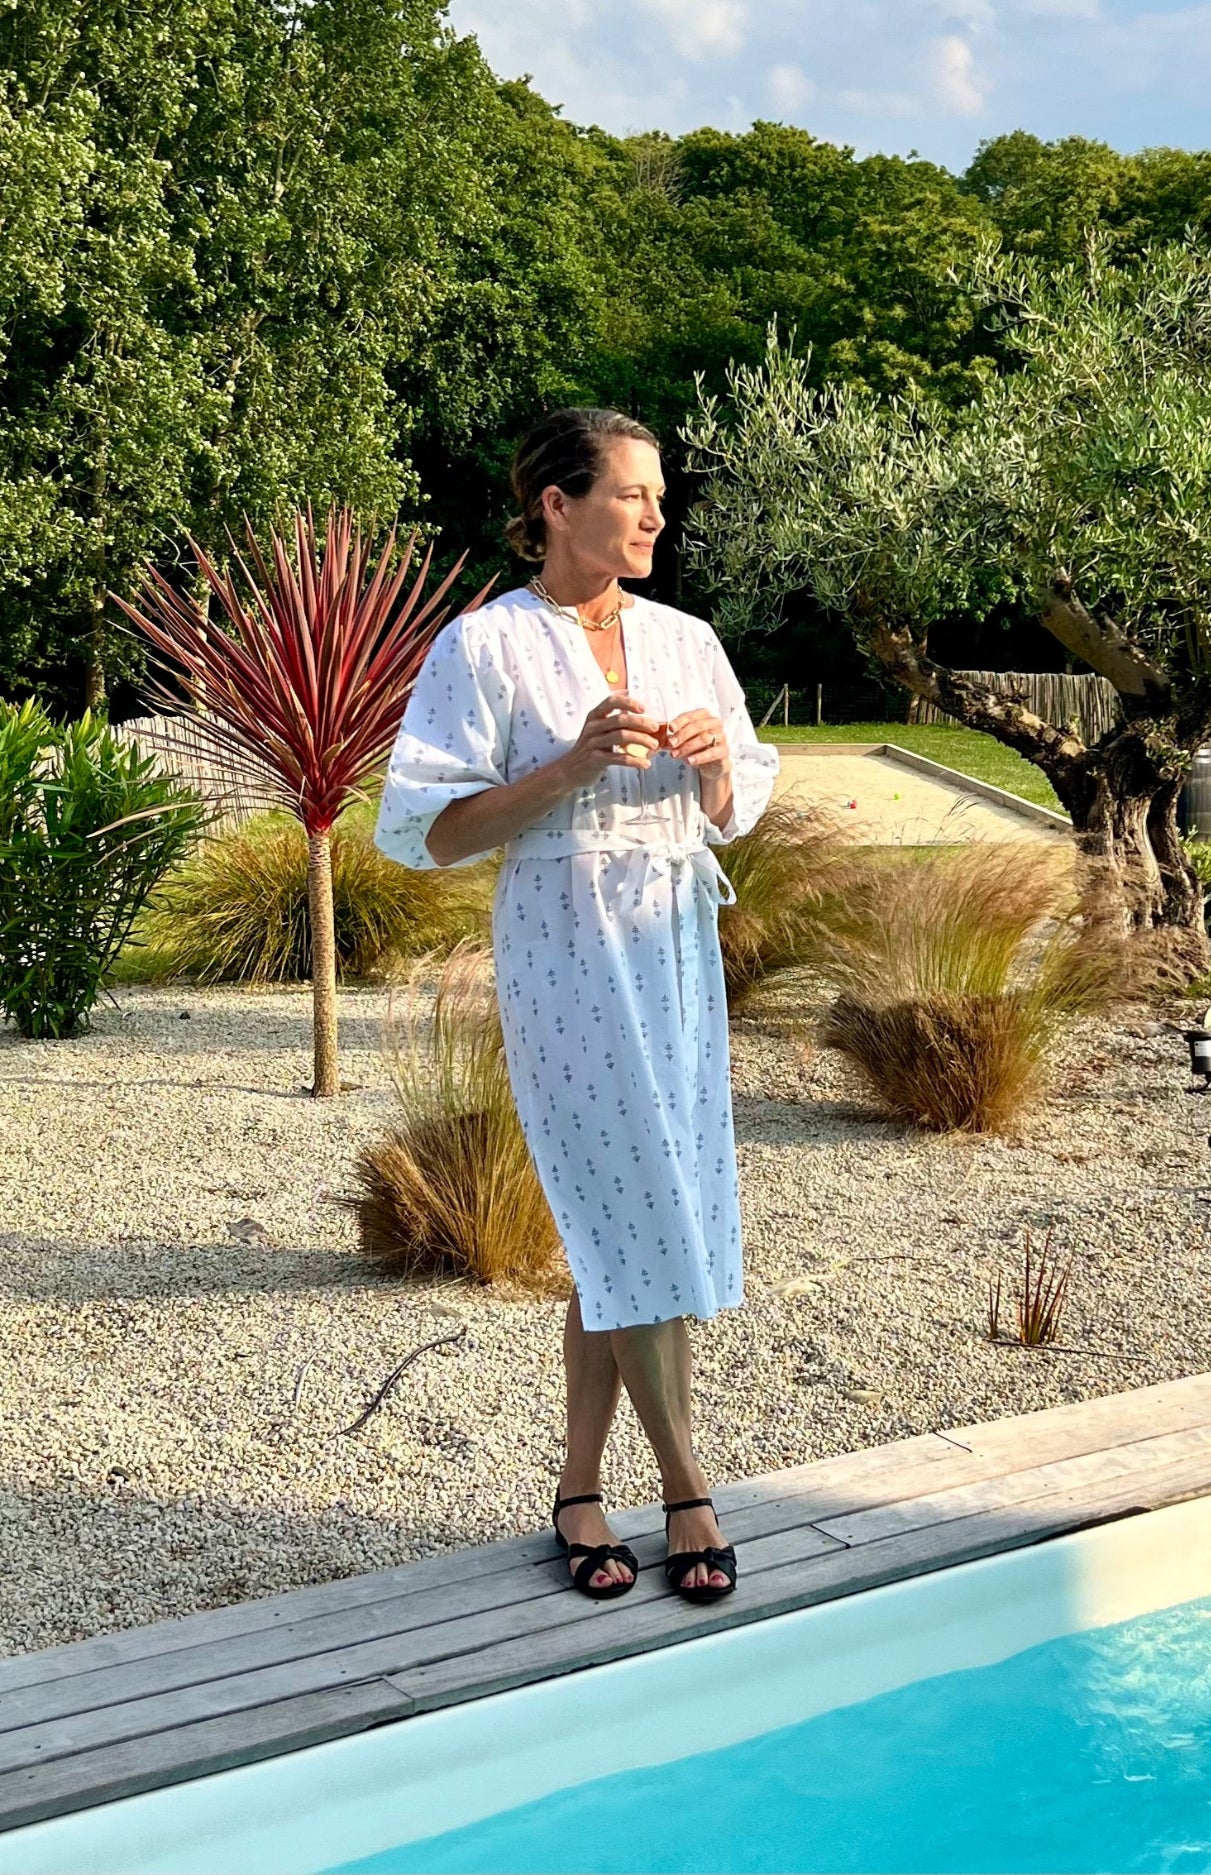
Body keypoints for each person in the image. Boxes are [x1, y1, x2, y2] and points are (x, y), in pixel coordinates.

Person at [374, 408, 779, 1605]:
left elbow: (739, 797)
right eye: (631, 495)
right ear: (559, 503)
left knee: (629, 1225)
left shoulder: (688, 639)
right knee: (635, 1207)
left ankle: (577, 1488)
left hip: (673, 947)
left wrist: (710, 767)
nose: (655, 517)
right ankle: (689, 1485)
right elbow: (426, 831)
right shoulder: (485, 648)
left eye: (660, 498)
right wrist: (569, 766)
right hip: (564, 949)